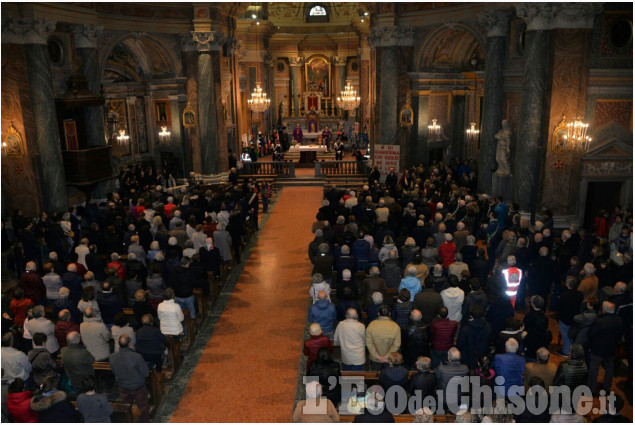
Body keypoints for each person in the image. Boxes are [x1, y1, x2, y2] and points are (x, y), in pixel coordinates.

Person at [109, 334, 150, 423]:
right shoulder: (136, 357)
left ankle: (129, 420)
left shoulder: (112, 357)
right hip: (138, 386)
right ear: (129, 343)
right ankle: (145, 421)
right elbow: (146, 373)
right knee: (143, 406)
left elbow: (113, 371)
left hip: (122, 386)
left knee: (127, 406)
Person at [586, 301, 624, 393]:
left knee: (594, 370)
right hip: (611, 349)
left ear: (604, 310)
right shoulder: (618, 320)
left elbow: (591, 334)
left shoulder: (600, 321)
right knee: (609, 369)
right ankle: (607, 387)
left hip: (597, 350)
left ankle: (591, 389)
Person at [366, 305, 401, 370]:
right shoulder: (396, 326)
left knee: (375, 376)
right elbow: (397, 345)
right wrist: (387, 356)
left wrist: (377, 356)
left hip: (375, 358)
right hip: (389, 359)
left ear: (378, 314)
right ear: (390, 314)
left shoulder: (371, 325)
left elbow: (369, 343)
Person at [457, 305, 491, 371]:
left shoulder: (466, 328)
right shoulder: (488, 326)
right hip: (481, 356)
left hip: (467, 356)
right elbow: (489, 340)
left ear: (471, 316)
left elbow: (460, 343)